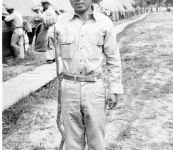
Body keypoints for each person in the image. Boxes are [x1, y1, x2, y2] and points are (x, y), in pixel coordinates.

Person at [34, 0, 123, 149]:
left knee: (97, 141)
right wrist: (44, 26)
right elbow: (40, 47)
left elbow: (113, 57)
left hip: (95, 88)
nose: (78, 0)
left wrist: (114, 88)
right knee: (72, 142)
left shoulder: (104, 22)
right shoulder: (59, 22)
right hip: (69, 88)